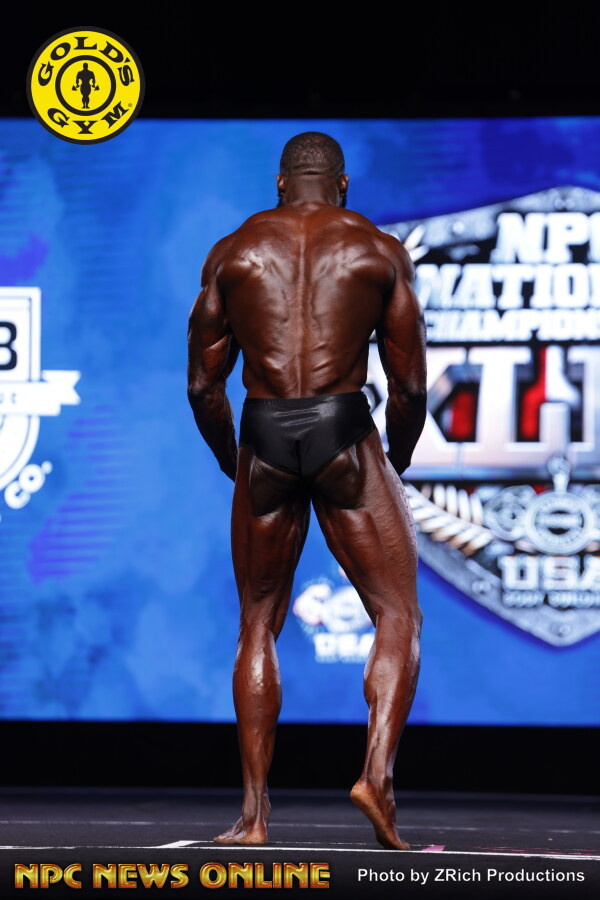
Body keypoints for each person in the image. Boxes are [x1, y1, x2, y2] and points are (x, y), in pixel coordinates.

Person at [187, 132, 427, 850]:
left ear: (281, 183)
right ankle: (376, 778)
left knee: (257, 624)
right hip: (341, 429)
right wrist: (398, 456)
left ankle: (253, 816)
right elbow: (410, 383)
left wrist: (233, 458)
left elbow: (202, 385)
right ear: (342, 184)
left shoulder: (233, 252)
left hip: (264, 430)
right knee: (397, 614)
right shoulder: (377, 250)